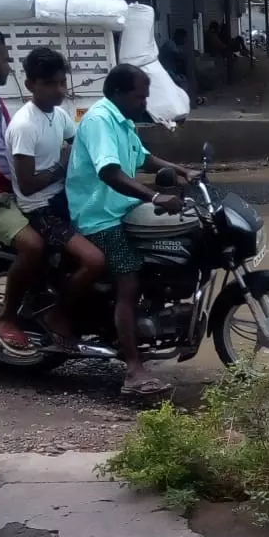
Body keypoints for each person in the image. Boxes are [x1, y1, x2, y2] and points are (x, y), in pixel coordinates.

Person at [66, 64, 189, 395]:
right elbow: (110, 172)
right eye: (139, 95)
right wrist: (155, 196)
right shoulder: (99, 121)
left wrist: (181, 171)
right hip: (98, 216)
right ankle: (133, 371)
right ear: (119, 93)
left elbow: (144, 158)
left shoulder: (122, 121)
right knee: (129, 279)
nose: (144, 101)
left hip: (121, 209)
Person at [6, 47, 105, 339]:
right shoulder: (25, 125)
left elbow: (79, 146)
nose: (59, 90)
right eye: (50, 84)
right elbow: (27, 184)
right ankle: (57, 311)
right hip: (40, 209)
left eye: (62, 82)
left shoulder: (59, 115)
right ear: (31, 85)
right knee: (94, 260)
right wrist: (62, 166)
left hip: (64, 199)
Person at [0, 30, 47, 354]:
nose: (9, 65)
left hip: (11, 190)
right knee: (32, 245)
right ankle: (7, 317)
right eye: (3, 57)